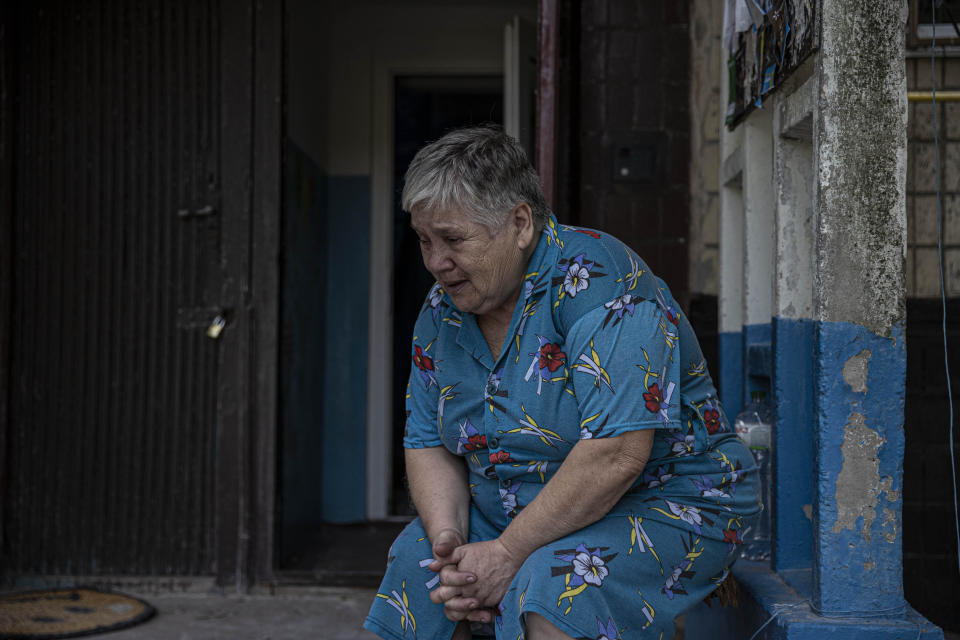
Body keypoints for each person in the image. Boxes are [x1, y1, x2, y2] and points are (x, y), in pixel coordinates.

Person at [364, 125, 759, 640]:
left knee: (558, 584)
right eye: (424, 240)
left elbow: (616, 453)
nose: (436, 262)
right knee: (420, 565)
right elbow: (426, 442)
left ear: (520, 223)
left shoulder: (602, 283)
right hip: (513, 513)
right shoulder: (442, 312)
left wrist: (506, 553)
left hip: (666, 503)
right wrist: (449, 541)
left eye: (453, 239)